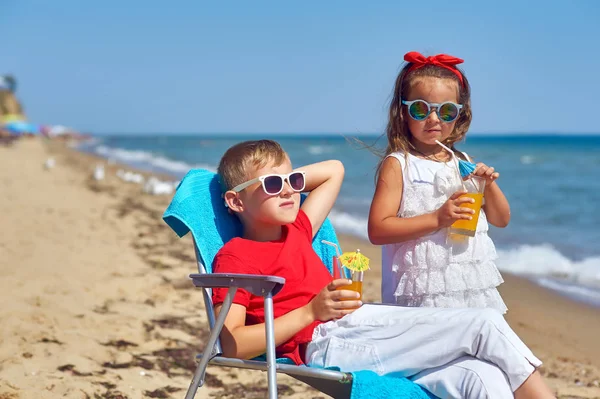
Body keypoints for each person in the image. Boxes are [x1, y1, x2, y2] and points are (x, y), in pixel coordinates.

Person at [211, 139, 554, 398]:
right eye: (273, 185)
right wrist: (309, 312)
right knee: (484, 323)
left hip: (358, 325)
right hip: (324, 343)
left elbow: (334, 169)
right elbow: (233, 344)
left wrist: (282, 176)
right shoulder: (236, 257)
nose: (288, 190)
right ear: (236, 201)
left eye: (295, 181)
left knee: (482, 376)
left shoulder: (298, 229)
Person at [368, 52, 510, 312]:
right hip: (423, 293)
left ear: (459, 114)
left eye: (446, 111)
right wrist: (438, 219)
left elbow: (501, 219)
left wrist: (488, 185)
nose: (433, 119)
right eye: (421, 109)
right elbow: (378, 230)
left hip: (469, 289)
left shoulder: (463, 162)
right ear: (403, 112)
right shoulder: (400, 164)